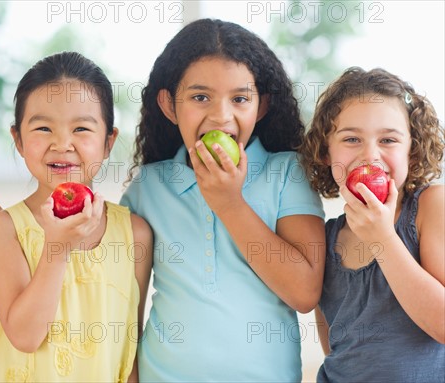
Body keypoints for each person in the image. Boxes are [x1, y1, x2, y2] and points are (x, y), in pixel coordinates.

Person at [119, 18, 325, 381]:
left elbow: (304, 292)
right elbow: (124, 309)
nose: (221, 116)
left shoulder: (287, 173)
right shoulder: (147, 187)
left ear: (261, 106)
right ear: (169, 105)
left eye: (240, 99)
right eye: (200, 97)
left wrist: (229, 203)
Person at [0, 52, 152, 382]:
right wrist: (57, 247)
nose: (62, 143)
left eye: (82, 128)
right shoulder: (3, 229)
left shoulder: (134, 233)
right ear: (18, 139)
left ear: (108, 142)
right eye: (43, 127)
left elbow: (131, 347)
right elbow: (25, 336)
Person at [299, 67, 445, 382]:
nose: (370, 156)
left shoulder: (431, 208)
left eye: (388, 139)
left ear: (413, 152)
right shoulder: (326, 238)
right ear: (326, 152)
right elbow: (334, 344)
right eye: (351, 139)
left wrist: (382, 239)